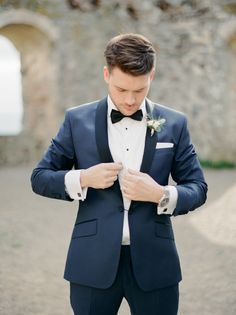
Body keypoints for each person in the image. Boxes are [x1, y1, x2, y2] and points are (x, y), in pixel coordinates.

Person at [31, 33, 207, 315]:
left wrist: (161, 194)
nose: (129, 100)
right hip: (91, 263)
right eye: (121, 89)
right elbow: (39, 177)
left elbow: (198, 187)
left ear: (152, 75)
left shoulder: (175, 123)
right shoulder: (77, 120)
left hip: (155, 264)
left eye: (139, 90)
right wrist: (84, 178)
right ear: (106, 74)